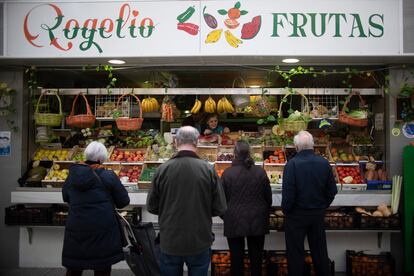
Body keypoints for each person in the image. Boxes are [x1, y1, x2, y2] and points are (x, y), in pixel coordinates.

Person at [146, 126, 227, 276]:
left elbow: (151, 206)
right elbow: (220, 207)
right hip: (199, 239)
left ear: (176, 142)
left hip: (170, 239)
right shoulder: (208, 170)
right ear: (196, 142)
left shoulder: (162, 169)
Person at [62, 141, 130, 276]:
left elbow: (66, 198)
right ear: (101, 158)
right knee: (102, 268)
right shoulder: (108, 176)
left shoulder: (72, 176)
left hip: (77, 227)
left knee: (75, 267)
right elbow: (123, 201)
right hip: (102, 229)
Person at [282, 131, 337, 276]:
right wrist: (323, 205)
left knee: (295, 253)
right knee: (319, 252)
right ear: (313, 145)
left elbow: (288, 194)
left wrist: (287, 211)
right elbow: (332, 190)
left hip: (296, 215)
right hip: (317, 214)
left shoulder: (291, 165)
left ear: (296, 146)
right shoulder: (324, 163)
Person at [221, 140, 272, 276]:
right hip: (258, 220)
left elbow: (221, 201)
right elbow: (269, 200)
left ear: (234, 154)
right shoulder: (260, 172)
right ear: (250, 153)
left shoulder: (227, 174)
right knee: (256, 260)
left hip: (234, 220)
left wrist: (227, 215)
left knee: (236, 260)